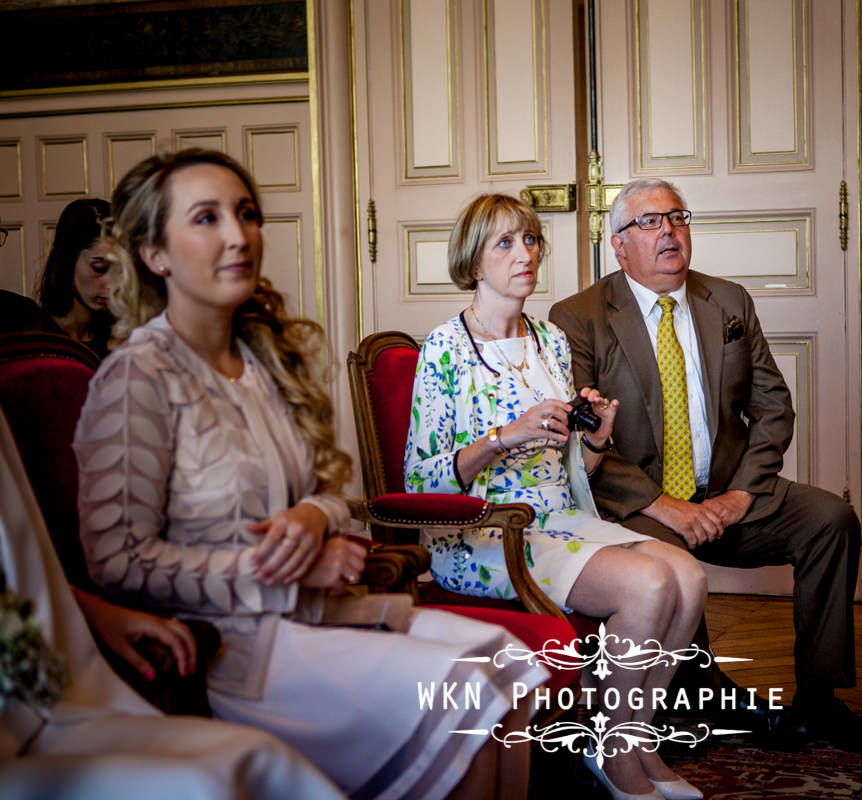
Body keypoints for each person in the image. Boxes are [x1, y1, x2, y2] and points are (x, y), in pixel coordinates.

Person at [74, 149, 547, 800]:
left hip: (316, 610)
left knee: (511, 661)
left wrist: (315, 517)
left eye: (246, 213)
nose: (239, 235)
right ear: (155, 254)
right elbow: (115, 563)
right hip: (234, 644)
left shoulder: (261, 361)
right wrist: (283, 568)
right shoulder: (137, 377)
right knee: (466, 690)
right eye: (206, 218)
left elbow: (330, 493)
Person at [549, 178, 862, 755]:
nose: (669, 232)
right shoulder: (579, 316)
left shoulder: (728, 301)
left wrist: (740, 497)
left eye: (677, 218)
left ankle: (819, 699)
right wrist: (666, 507)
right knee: (667, 556)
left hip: (729, 490)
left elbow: (774, 408)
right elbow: (580, 441)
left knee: (832, 519)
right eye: (649, 222)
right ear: (619, 244)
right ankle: (689, 699)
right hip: (638, 504)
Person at [405, 193, 708, 800]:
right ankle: (615, 753)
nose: (526, 254)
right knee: (647, 585)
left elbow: (574, 468)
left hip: (561, 514)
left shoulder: (551, 342)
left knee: (689, 575)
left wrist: (595, 438)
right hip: (486, 533)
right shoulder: (445, 350)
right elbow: (420, 481)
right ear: (472, 262)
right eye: (506, 243)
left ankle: (634, 737)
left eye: (531, 240)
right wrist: (501, 438)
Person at [0, 409, 345, 800]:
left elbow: (21, 558)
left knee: (258, 759)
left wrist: (91, 610)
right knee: (203, 783)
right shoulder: (139, 383)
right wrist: (283, 570)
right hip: (239, 632)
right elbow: (126, 559)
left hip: (44, 686)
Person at [35, 198, 116, 359]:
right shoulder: (35, 334)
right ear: (67, 260)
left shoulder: (123, 337)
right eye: (99, 268)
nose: (112, 284)